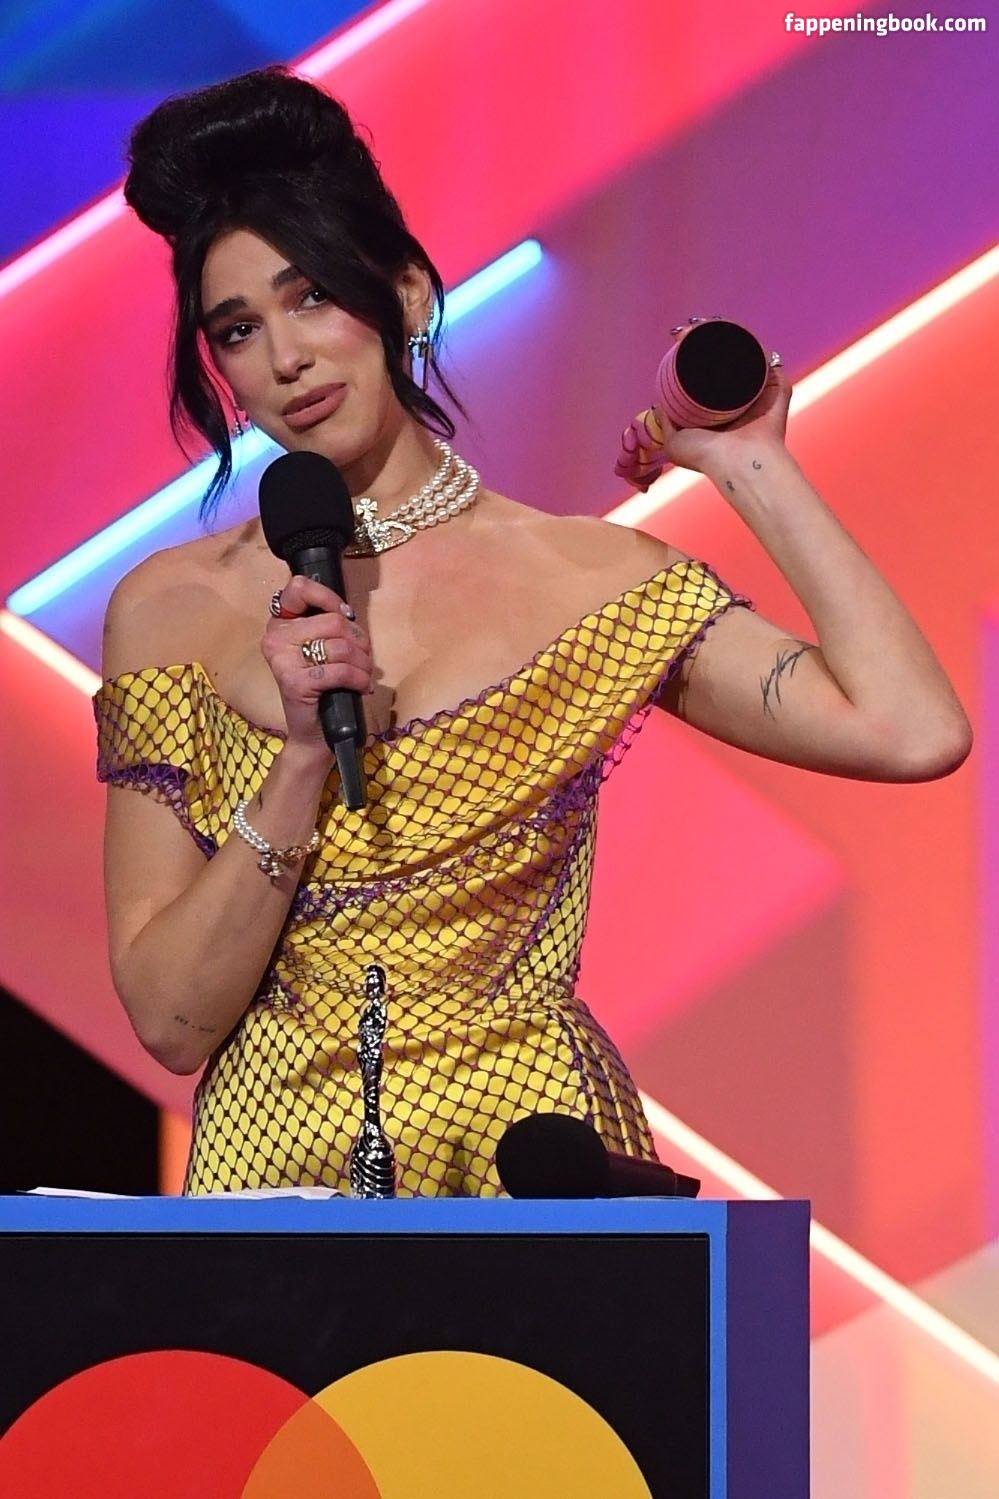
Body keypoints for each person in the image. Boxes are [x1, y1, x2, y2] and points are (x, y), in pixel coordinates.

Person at [94, 66, 972, 1197]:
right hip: (273, 1183)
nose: (285, 357)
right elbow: (170, 1019)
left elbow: (909, 730)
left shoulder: (584, 579)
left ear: (407, 295)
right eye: (238, 329)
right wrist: (300, 763)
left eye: (312, 296)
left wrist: (751, 463)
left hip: (534, 1165)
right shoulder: (171, 609)